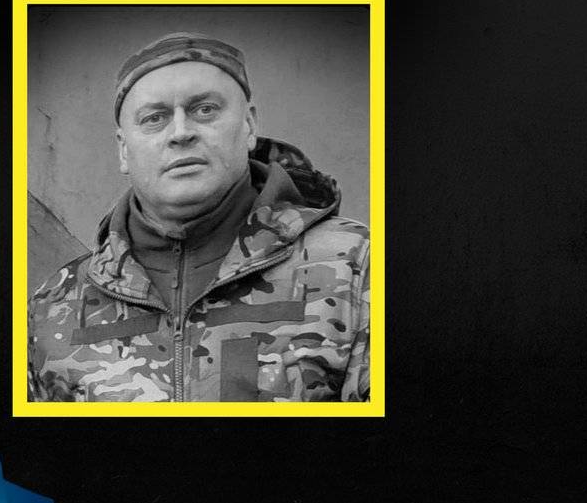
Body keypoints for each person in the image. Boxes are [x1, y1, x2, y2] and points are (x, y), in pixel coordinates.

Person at [27, 32, 369, 402]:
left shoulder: (356, 264)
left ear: (249, 126)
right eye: (154, 118)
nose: (180, 133)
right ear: (124, 150)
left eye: (204, 110)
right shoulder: (54, 305)